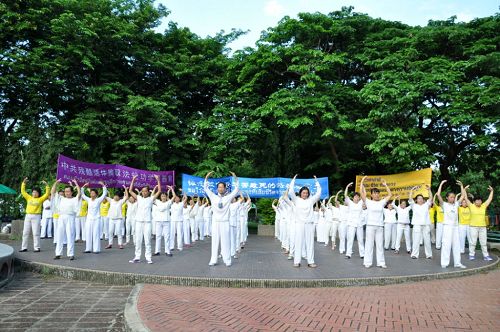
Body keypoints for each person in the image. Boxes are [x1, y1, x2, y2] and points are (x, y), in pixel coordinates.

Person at [203, 171, 240, 267]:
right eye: (219, 187)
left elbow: (236, 190)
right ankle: (213, 260)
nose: (220, 188)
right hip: (215, 222)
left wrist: (235, 178)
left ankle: (227, 260)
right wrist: (207, 177)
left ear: (224, 188)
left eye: (222, 187)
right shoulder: (213, 196)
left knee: (226, 241)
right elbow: (205, 188)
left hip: (225, 222)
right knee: (214, 241)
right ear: (217, 188)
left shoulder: (228, 197)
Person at [288, 174, 322, 268]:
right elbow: (291, 191)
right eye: (303, 193)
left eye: (306, 193)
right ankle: (297, 261)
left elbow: (319, 193)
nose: (305, 194)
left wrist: (316, 181)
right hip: (299, 224)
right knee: (298, 242)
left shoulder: (311, 200)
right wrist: (293, 179)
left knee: (310, 243)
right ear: (300, 193)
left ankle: (310, 261)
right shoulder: (296, 200)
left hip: (309, 224)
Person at [128, 175, 161, 264]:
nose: (144, 192)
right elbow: (130, 191)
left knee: (147, 240)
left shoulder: (151, 199)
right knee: (138, 240)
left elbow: (159, 191)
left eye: (145, 191)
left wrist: (158, 180)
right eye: (143, 191)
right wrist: (133, 180)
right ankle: (137, 257)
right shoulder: (138, 198)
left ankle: (148, 258)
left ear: (148, 192)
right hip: (138, 222)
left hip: (147, 222)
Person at [360, 176, 392, 268]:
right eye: (374, 193)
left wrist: (385, 185)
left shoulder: (382, 202)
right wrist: (362, 181)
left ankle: (381, 263)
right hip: (370, 226)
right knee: (369, 245)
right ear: (371, 195)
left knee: (379, 245)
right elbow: (361, 193)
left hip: (380, 227)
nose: (377, 195)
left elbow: (390, 195)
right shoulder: (368, 202)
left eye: (378, 193)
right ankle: (367, 262)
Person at [436, 180, 466, 269]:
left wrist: (461, 186)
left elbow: (463, 195)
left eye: (453, 197)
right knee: (446, 244)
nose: (453, 198)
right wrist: (441, 184)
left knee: (457, 245)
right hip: (447, 227)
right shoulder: (444, 205)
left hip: (455, 227)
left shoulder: (456, 204)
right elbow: (438, 194)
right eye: (451, 197)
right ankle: (444, 263)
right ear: (447, 198)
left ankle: (458, 263)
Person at [51, 179, 81, 260]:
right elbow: (53, 192)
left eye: (68, 191)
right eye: (65, 191)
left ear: (71, 192)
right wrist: (56, 183)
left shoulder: (74, 199)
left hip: (70, 218)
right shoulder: (61, 198)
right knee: (59, 236)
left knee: (70, 235)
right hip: (61, 217)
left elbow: (79, 193)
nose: (67, 193)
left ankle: (70, 254)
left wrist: (76, 183)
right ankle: (58, 254)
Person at [464, 184, 494, 261]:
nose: (478, 201)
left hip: (482, 227)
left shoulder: (484, 206)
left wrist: (492, 191)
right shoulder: (471, 206)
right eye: (477, 200)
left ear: (481, 201)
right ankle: (471, 255)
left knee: (483, 242)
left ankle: (486, 256)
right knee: (473, 242)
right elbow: (465, 198)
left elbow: (489, 199)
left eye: (480, 200)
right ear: (474, 201)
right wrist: (464, 190)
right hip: (473, 227)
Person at [20, 177, 50, 252]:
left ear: (38, 193)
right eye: (33, 192)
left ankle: (37, 247)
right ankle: (24, 247)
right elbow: (23, 192)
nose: (34, 193)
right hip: (28, 216)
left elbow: (47, 194)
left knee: (36, 232)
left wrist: (46, 185)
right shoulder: (29, 197)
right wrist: (24, 183)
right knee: (25, 232)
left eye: (36, 192)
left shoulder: (40, 199)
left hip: (36, 216)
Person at [81, 182, 108, 253]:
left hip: (96, 219)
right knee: (88, 233)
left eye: (93, 193)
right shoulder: (88, 199)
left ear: (96, 194)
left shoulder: (98, 200)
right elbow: (82, 194)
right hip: (89, 219)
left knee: (96, 233)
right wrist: (84, 186)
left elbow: (104, 193)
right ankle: (88, 248)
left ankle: (96, 249)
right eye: (91, 193)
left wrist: (103, 185)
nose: (92, 194)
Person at [409, 185, 433, 259]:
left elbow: (431, 198)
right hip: (417, 225)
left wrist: (429, 190)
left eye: (421, 198)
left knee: (427, 241)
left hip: (426, 225)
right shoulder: (414, 205)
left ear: (423, 199)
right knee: (416, 240)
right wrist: (412, 190)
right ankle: (414, 254)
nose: (420, 199)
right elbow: (410, 198)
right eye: (418, 198)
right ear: (416, 200)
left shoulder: (426, 205)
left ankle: (429, 255)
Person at [344, 183, 365, 259]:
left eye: (357, 197)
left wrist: (362, 187)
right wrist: (347, 186)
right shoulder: (350, 203)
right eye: (355, 197)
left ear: (359, 198)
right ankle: (348, 254)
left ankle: (362, 254)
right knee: (350, 239)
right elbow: (345, 195)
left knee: (360, 240)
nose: (356, 198)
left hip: (359, 224)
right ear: (353, 198)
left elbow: (364, 195)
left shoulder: (360, 203)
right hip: (351, 224)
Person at [153, 187, 174, 256]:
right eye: (162, 196)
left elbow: (174, 197)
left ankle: (167, 251)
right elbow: (152, 197)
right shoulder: (157, 202)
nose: (163, 197)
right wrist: (155, 189)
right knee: (158, 236)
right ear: (160, 197)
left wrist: (172, 189)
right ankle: (157, 251)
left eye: (164, 196)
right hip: (158, 221)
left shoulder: (169, 202)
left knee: (167, 236)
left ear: (166, 197)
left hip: (166, 221)